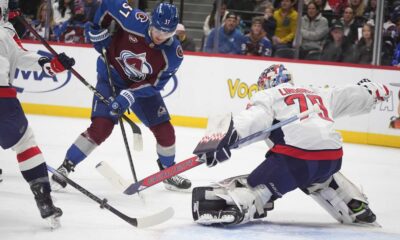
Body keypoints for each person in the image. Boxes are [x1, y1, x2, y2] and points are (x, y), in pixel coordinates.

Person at [191, 64, 389, 226]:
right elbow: (350, 95)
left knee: (253, 187)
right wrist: (370, 92)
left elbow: (254, 119)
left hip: (295, 159)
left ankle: (238, 205)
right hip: (333, 158)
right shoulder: (317, 92)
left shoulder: (269, 95)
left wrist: (223, 139)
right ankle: (354, 203)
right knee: (320, 176)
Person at [51, 0, 192, 192]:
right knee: (101, 127)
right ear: (151, 21)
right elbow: (109, 3)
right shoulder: (134, 19)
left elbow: (155, 84)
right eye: (157, 30)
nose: (160, 36)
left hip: (140, 90)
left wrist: (130, 94)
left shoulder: (174, 54)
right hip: (111, 78)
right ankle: (66, 166)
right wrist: (96, 28)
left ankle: (168, 172)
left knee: (166, 131)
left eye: (167, 33)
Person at [0, 0, 75, 228]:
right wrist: (53, 64)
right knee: (25, 144)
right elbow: (24, 58)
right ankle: (44, 201)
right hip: (3, 101)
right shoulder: (4, 33)